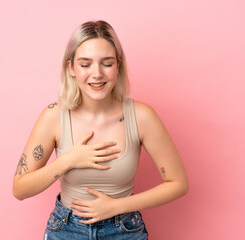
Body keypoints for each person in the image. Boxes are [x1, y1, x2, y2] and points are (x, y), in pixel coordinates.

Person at [12, 20, 189, 240]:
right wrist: (69, 160)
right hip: (67, 230)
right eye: (85, 64)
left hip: (124, 229)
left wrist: (117, 206)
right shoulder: (53, 116)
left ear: (118, 66)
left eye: (106, 63)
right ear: (71, 68)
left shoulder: (143, 117)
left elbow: (178, 183)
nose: (97, 74)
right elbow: (20, 189)